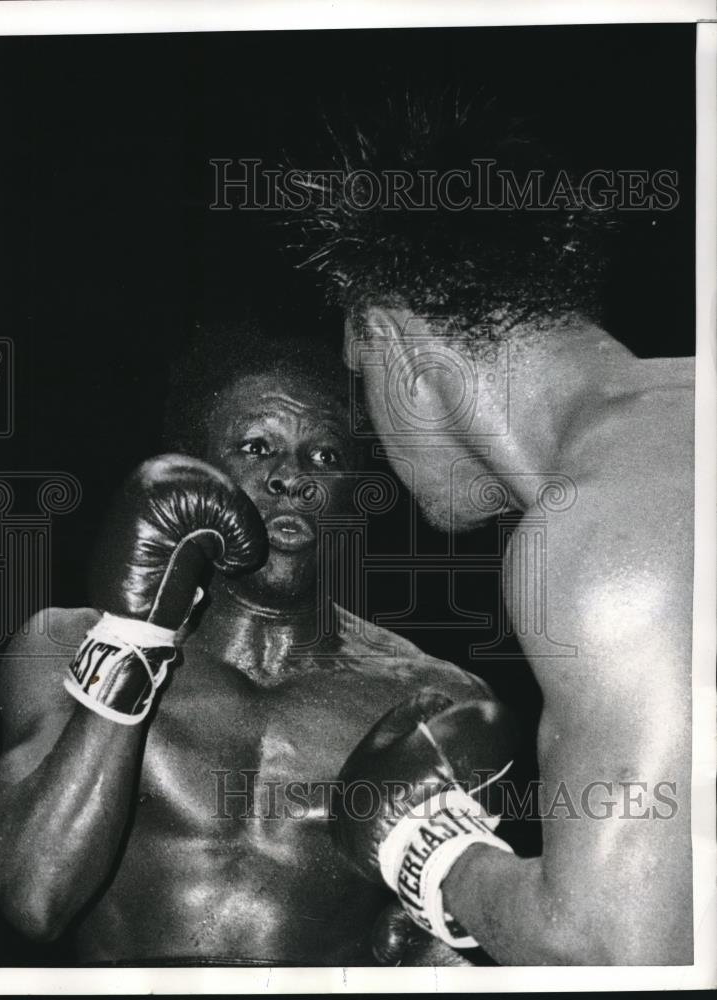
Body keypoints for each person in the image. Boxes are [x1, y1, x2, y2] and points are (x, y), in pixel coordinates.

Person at [289, 95, 694, 964]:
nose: (374, 441)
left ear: (389, 341)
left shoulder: (601, 521)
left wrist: (430, 853)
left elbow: (614, 948)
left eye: (360, 392)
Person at [0, 317, 515, 967]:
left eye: (325, 456)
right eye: (257, 447)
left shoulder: (432, 698)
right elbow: (35, 897)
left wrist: (432, 944)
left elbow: (441, 952)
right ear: (194, 473)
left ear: (350, 497)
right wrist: (132, 640)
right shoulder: (64, 643)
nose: (293, 477)